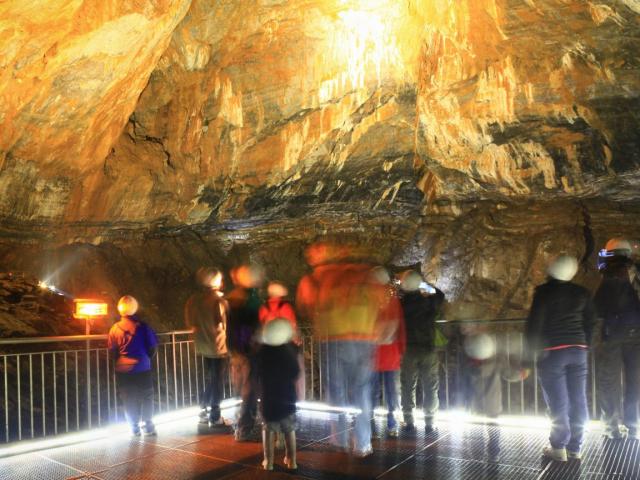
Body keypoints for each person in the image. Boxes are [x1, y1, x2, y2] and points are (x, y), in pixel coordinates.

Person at [296, 242, 383, 457]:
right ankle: (362, 444)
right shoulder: (366, 276)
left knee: (336, 391)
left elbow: (306, 304)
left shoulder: (320, 278)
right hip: (365, 339)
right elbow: (381, 302)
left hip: (334, 339)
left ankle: (339, 439)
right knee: (362, 391)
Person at [525, 255, 597, 462]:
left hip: (553, 351)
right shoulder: (582, 293)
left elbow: (534, 326)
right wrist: (586, 344)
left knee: (558, 401)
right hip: (578, 350)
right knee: (578, 398)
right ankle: (575, 447)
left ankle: (558, 448)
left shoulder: (544, 292)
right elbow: (591, 321)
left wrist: (528, 360)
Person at [594, 238, 640, 440]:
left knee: (608, 381)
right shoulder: (636, 272)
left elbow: (598, 308)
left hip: (612, 335)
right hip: (637, 334)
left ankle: (611, 427)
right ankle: (633, 425)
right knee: (635, 381)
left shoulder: (608, 274)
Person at [398, 270, 445, 433]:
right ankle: (430, 422)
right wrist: (424, 284)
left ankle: (409, 420)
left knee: (408, 385)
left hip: (409, 349)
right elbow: (440, 295)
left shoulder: (403, 303)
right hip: (428, 348)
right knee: (430, 386)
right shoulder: (430, 301)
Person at [108, 295, 158, 436]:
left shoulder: (114, 328)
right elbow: (152, 347)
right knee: (147, 396)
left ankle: (134, 428)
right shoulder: (143, 327)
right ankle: (148, 426)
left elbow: (113, 351)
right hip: (142, 366)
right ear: (135, 308)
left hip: (123, 369)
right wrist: (146, 359)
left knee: (128, 398)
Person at [184, 267, 229, 427]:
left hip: (202, 347)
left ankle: (203, 409)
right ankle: (215, 415)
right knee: (217, 382)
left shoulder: (193, 300)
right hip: (218, 347)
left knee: (212, 380)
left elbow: (190, 323)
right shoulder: (218, 301)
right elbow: (224, 323)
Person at [256, 319, 300, 471]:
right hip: (287, 399)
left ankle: (268, 462)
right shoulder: (290, 351)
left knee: (268, 430)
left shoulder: (262, 352)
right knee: (290, 430)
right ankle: (291, 460)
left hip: (268, 401)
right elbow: (296, 372)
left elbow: (256, 372)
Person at [227, 264, 264, 441]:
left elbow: (231, 328)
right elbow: (257, 325)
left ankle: (243, 425)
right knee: (250, 388)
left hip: (239, 350)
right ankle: (244, 426)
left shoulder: (234, 299)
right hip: (251, 349)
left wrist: (233, 349)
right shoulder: (252, 300)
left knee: (244, 387)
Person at [370, 267, 405, 438]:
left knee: (373, 392)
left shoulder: (369, 301)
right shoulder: (393, 300)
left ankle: (372, 427)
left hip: (374, 355)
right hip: (391, 355)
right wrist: (401, 349)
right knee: (391, 392)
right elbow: (400, 327)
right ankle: (392, 425)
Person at [259, 281, 305, 400]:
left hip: (269, 346)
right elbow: (292, 326)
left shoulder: (263, 308)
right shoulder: (286, 307)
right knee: (293, 375)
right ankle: (297, 398)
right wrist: (297, 340)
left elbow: (261, 326)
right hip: (286, 346)